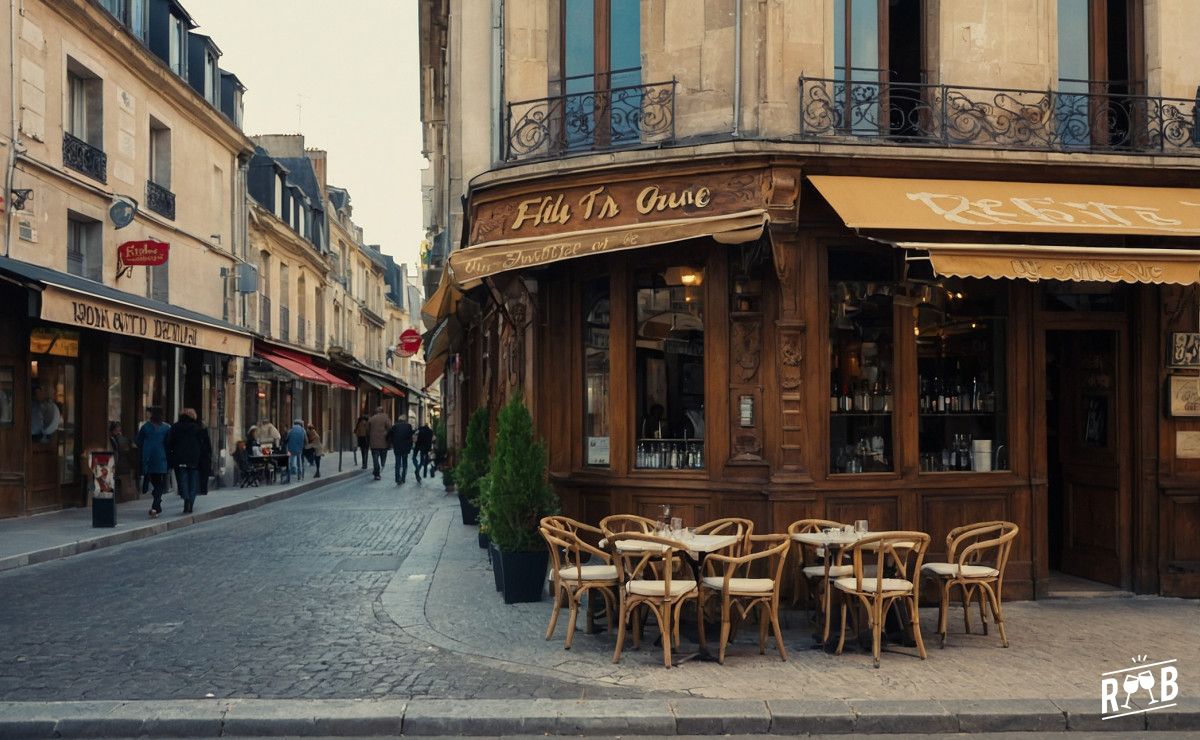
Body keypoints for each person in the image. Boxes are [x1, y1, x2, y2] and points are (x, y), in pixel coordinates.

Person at [165, 408, 206, 514]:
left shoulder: (175, 427)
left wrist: (171, 456)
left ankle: (186, 498)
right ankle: (190, 502)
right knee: (193, 481)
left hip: (179, 457)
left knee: (182, 479)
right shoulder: (197, 428)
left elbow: (169, 443)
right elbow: (203, 444)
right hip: (194, 458)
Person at [135, 408, 171, 517]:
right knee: (160, 483)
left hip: (149, 457)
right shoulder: (166, 428)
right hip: (161, 457)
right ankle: (156, 503)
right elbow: (170, 443)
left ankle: (156, 502)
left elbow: (138, 441)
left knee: (155, 482)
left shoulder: (146, 427)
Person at [387, 415, 415, 485]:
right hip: (405, 447)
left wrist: (391, 442)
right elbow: (410, 437)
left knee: (398, 463)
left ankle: (397, 478)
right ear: (405, 420)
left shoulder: (395, 426)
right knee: (404, 463)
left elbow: (389, 435)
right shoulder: (408, 426)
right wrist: (410, 446)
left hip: (397, 447)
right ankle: (403, 478)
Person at [108, 421, 132, 496]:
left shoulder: (115, 438)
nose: (119, 429)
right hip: (115, 460)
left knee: (116, 477)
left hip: (117, 459)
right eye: (118, 428)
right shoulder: (113, 438)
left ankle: (117, 494)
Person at [367, 406, 390, 481]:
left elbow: (367, 430)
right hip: (383, 442)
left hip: (373, 442)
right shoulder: (386, 418)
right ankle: (382, 464)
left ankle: (377, 474)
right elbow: (390, 428)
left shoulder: (371, 418)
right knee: (383, 455)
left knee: (375, 458)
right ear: (382, 411)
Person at [194, 414, 213, 496]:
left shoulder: (202, 431)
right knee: (203, 474)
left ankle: (201, 489)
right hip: (203, 456)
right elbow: (208, 444)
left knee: (201, 473)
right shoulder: (203, 431)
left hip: (201, 456)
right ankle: (203, 490)